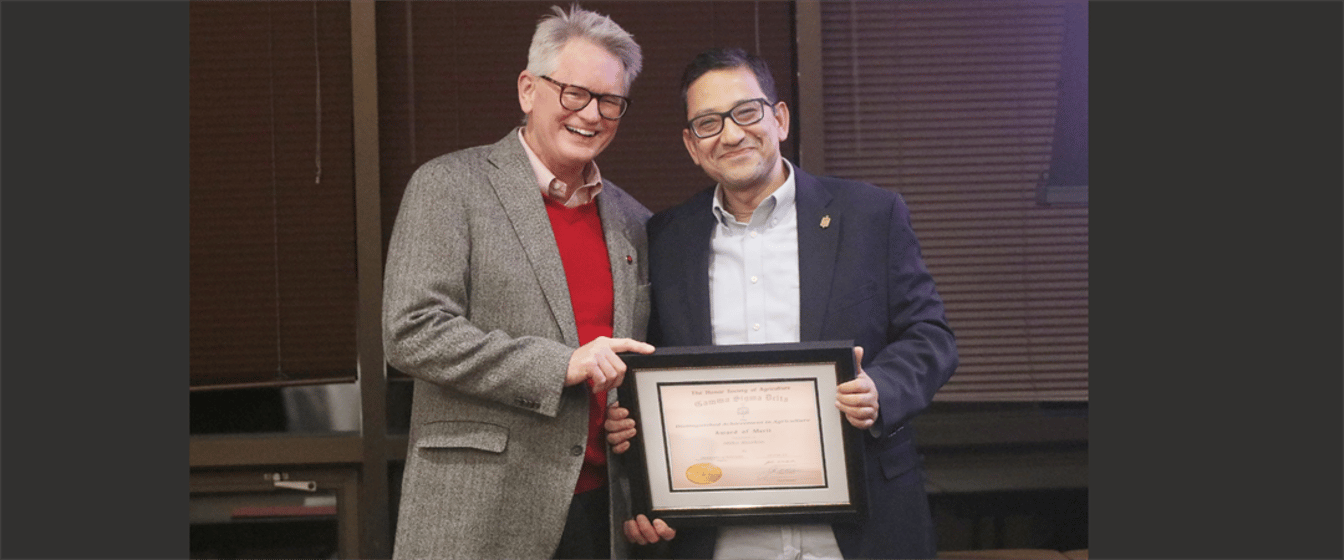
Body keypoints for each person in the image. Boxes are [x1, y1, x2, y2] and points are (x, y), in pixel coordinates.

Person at [606, 48, 958, 559]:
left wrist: (880, 388)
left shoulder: (870, 215)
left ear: (780, 118)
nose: (731, 134)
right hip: (721, 535)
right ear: (690, 144)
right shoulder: (663, 240)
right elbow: (647, 365)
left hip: (861, 526)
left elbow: (931, 337)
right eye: (708, 123)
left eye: (747, 112)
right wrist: (629, 420)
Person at [382, 5, 654, 559]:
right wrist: (560, 365)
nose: (592, 114)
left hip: (600, 512)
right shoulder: (448, 186)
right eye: (574, 93)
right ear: (529, 90)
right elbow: (412, 332)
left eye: (610, 101)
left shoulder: (634, 221)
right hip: (479, 512)